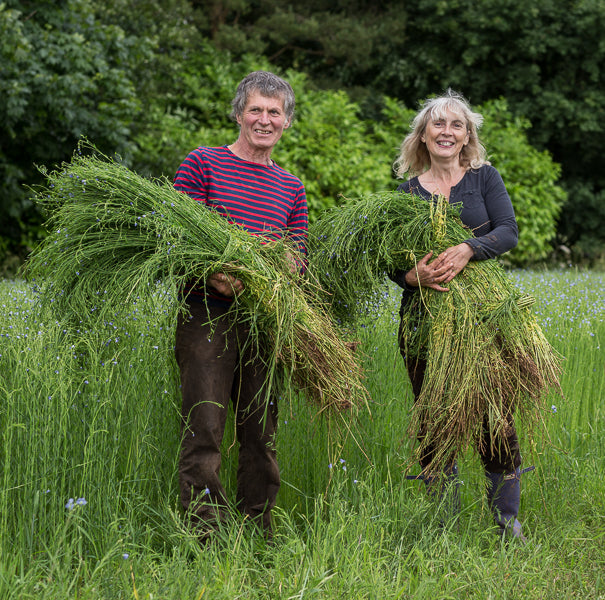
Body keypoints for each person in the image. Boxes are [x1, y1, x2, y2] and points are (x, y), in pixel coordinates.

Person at [172, 71, 308, 540]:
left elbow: (298, 253)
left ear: (287, 121)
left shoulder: (291, 186)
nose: (264, 120)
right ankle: (205, 536)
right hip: (206, 314)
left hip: (263, 320)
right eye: (256, 110)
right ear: (238, 113)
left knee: (260, 434)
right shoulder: (202, 164)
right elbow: (175, 239)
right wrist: (212, 274)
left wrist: (282, 272)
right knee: (205, 429)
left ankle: (257, 533)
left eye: (274, 112)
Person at [390, 89, 527, 541]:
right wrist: (414, 276)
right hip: (425, 322)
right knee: (434, 419)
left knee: (495, 417)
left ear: (467, 136)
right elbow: (392, 262)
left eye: (456, 125)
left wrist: (470, 247)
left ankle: (507, 523)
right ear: (423, 136)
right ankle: (439, 527)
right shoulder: (407, 194)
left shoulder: (485, 178)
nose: (447, 132)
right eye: (438, 125)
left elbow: (508, 231)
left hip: (484, 319)